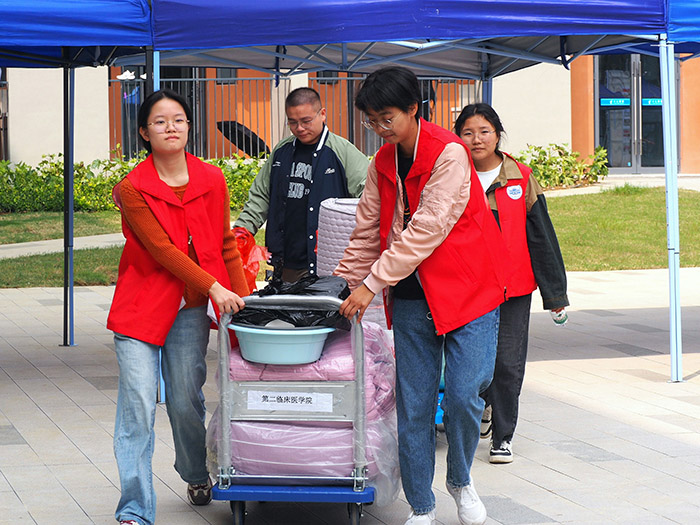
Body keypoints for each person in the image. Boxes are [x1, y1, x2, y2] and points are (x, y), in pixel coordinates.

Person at [335, 66, 509, 525]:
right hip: (412, 294)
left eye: (387, 118)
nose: (379, 128)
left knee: (464, 396)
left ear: (413, 108)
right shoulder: (381, 163)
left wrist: (371, 284)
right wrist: (345, 285)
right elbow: (367, 230)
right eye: (371, 120)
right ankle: (422, 505)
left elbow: (427, 228)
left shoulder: (449, 152)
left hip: (470, 288)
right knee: (414, 405)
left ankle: (461, 480)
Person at [106, 89, 249, 525]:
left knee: (186, 401)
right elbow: (162, 249)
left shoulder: (212, 179)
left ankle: (194, 472)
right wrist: (214, 287)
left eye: (179, 120)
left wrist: (244, 303)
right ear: (144, 133)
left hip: (189, 309)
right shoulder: (132, 188)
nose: (171, 127)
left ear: (189, 126)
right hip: (140, 307)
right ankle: (134, 509)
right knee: (137, 405)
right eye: (160, 121)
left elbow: (226, 244)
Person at [454, 103, 569, 464]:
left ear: (498, 135)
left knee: (507, 363)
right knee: (473, 363)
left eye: (484, 132)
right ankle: (484, 406)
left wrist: (555, 293)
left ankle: (502, 437)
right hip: (467, 288)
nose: (476, 139)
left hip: (512, 289)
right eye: (468, 133)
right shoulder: (452, 175)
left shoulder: (520, 177)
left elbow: (541, 236)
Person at [234, 87, 368, 283]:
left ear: (322, 114)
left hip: (330, 263)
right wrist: (240, 235)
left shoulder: (343, 151)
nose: (300, 128)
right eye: (293, 122)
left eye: (306, 121)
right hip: (286, 262)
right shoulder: (282, 151)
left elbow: (369, 199)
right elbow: (260, 198)